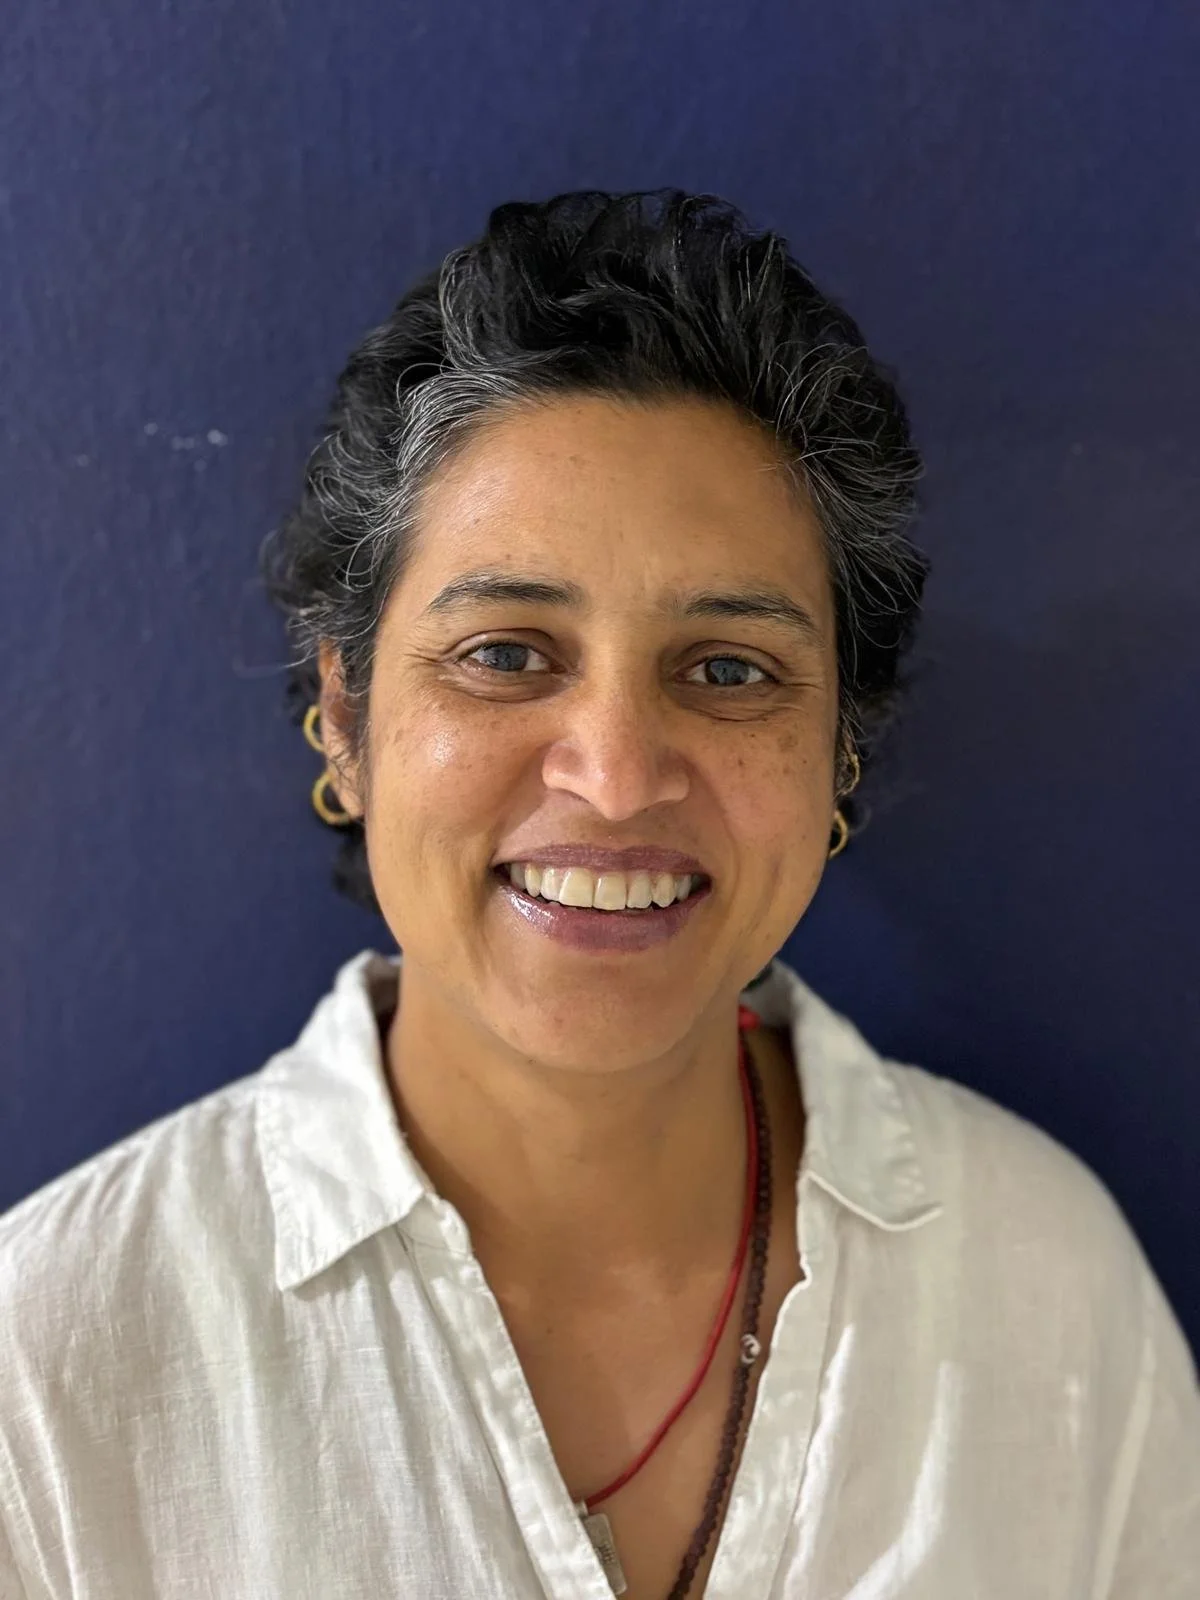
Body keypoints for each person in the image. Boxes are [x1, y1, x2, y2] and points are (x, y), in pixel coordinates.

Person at [1, 189, 1197, 1600]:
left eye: (731, 668)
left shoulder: (1044, 1283)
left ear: (840, 752)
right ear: (344, 715)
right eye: (506, 653)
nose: (619, 777)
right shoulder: (48, 1371)